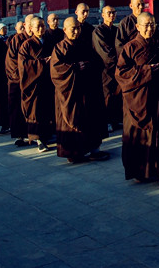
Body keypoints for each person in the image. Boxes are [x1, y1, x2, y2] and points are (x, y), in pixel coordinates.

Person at [116, 12, 159, 187]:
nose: (150, 28)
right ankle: (140, 171)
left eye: (152, 25)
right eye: (146, 25)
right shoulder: (130, 48)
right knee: (140, 137)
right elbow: (121, 74)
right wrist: (147, 71)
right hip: (139, 102)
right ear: (137, 27)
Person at [50, 17, 110, 163]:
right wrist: (75, 68)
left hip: (88, 91)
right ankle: (74, 152)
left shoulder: (85, 45)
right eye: (73, 28)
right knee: (73, 121)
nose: (76, 31)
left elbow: (98, 63)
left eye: (78, 28)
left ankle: (93, 149)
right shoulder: (60, 48)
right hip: (70, 92)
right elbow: (57, 71)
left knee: (91, 119)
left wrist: (88, 66)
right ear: (65, 30)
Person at [18, 16, 55, 151]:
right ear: (31, 29)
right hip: (33, 84)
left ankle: (46, 135)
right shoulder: (26, 45)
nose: (40, 29)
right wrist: (42, 62)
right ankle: (38, 139)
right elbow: (23, 65)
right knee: (35, 112)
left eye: (42, 26)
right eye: (37, 27)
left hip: (47, 82)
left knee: (47, 110)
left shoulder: (49, 41)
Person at [92, 5, 122, 130]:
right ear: (102, 15)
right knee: (107, 94)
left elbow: (121, 47)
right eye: (109, 13)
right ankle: (107, 121)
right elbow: (105, 52)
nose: (111, 15)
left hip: (118, 67)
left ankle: (115, 119)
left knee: (117, 94)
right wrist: (118, 61)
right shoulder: (98, 31)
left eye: (113, 12)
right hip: (105, 68)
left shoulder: (117, 30)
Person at [6, 15, 33, 146]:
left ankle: (33, 134)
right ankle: (19, 136)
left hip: (33, 80)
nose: (31, 28)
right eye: (29, 25)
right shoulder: (17, 39)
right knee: (17, 109)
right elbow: (11, 62)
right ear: (24, 25)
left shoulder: (36, 39)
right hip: (19, 80)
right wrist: (22, 76)